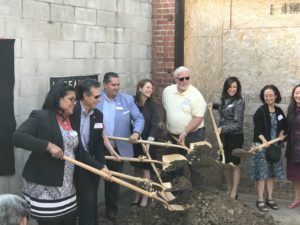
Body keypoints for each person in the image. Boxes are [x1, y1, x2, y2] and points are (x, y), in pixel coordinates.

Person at [13, 82, 78, 225]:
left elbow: (78, 150)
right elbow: (18, 137)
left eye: (75, 99)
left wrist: (100, 167)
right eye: (71, 99)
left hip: (67, 188)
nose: (75, 103)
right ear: (58, 98)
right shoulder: (41, 117)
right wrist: (48, 146)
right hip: (46, 189)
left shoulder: (70, 118)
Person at [96, 72, 144, 220]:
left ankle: (112, 211)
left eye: (118, 84)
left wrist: (136, 132)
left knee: (113, 180)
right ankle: (89, 212)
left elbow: (139, 118)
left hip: (117, 148)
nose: (116, 88)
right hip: (97, 147)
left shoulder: (127, 100)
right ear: (105, 85)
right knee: (92, 180)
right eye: (113, 85)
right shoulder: (96, 100)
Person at [70, 79, 112, 225]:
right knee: (84, 200)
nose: (99, 100)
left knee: (90, 199)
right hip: (73, 162)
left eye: (99, 96)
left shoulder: (98, 115)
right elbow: (77, 148)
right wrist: (99, 167)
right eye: (96, 97)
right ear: (84, 96)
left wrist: (103, 164)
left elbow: (99, 144)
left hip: (91, 163)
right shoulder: (71, 112)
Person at [250, 85, 286, 212]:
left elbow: (283, 126)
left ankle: (270, 198)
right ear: (263, 97)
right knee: (262, 175)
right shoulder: (260, 111)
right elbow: (257, 129)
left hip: (274, 147)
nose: (268, 97)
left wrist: (281, 134)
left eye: (271, 95)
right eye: (266, 95)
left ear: (276, 95)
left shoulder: (279, 111)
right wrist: (264, 141)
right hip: (262, 147)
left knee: (271, 174)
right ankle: (260, 199)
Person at [209, 76, 245, 199]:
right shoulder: (225, 100)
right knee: (225, 163)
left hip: (235, 137)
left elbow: (238, 124)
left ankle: (234, 192)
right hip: (224, 137)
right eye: (230, 86)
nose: (232, 89)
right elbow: (224, 108)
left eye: (234, 87)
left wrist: (222, 129)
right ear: (226, 87)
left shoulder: (239, 101)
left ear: (238, 88)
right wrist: (213, 105)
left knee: (233, 164)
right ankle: (228, 189)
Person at [162, 66, 207, 148]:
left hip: (193, 136)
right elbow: (165, 108)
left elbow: (198, 118)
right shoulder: (167, 91)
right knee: (173, 159)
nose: (185, 81)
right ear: (175, 80)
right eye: (181, 79)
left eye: (187, 78)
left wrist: (184, 133)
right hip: (172, 136)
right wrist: (163, 122)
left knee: (191, 159)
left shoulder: (196, 95)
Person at [131, 79, 158, 207]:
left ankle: (146, 197)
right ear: (140, 88)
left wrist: (149, 142)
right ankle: (137, 194)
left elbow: (154, 125)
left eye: (151, 88)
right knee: (137, 169)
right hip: (135, 141)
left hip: (148, 141)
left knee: (146, 170)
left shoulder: (152, 105)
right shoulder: (132, 102)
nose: (150, 90)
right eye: (148, 87)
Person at [285, 84, 300, 209]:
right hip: (293, 149)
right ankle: (297, 199)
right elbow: (287, 128)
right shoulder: (291, 109)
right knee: (296, 176)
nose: (298, 95)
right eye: (296, 93)